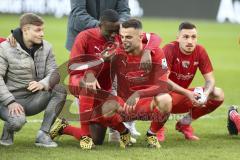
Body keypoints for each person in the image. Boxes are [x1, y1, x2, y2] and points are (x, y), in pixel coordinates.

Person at [49, 10, 161, 149]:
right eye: (110, 31)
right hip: (81, 83)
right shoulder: (84, 37)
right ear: (100, 26)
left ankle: (64, 128)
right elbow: (72, 66)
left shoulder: (120, 36)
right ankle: (85, 136)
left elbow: (154, 37)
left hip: (104, 89)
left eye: (116, 31)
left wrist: (148, 51)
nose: (114, 35)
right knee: (88, 85)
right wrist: (99, 60)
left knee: (98, 139)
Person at [0, 13, 67, 147]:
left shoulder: (47, 47)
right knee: (17, 122)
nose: (42, 34)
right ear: (25, 30)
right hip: (7, 102)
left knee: (60, 90)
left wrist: (43, 83)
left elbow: (54, 73)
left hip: (33, 99)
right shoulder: (5, 48)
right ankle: (8, 131)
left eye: (43, 30)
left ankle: (43, 135)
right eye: (38, 30)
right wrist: (10, 101)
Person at [156, 22, 224, 141]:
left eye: (193, 37)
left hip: (180, 96)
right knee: (163, 95)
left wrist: (205, 95)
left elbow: (210, 80)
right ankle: (157, 128)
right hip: (158, 98)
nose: (190, 41)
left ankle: (184, 123)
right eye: (185, 37)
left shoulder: (200, 51)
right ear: (178, 38)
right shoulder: (169, 49)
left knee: (218, 93)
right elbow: (163, 81)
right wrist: (188, 94)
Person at [66, 0, 130, 51]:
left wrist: (120, 23)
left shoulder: (109, 29)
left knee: (112, 65)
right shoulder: (104, 27)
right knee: (80, 65)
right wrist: (104, 26)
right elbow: (78, 12)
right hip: (82, 33)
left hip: (110, 34)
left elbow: (124, 11)